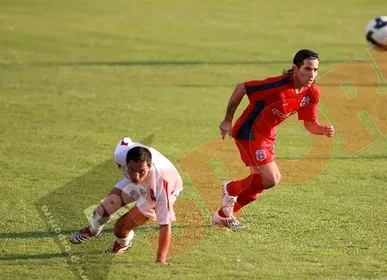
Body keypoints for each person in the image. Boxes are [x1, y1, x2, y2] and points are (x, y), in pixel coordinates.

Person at [213, 49, 334, 230]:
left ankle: (222, 215)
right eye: (307, 69)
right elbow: (242, 87)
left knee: (256, 188)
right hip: (249, 133)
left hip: (267, 136)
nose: (312, 74)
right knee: (271, 178)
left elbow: (310, 124)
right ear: (295, 68)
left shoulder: (312, 92)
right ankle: (230, 188)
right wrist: (227, 120)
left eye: (315, 70)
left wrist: (322, 130)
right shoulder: (276, 86)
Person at [69, 137, 183, 263]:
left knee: (120, 230)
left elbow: (165, 225)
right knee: (102, 210)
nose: (135, 176)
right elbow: (125, 141)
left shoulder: (161, 186)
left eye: (141, 171)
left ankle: (124, 243)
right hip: (146, 180)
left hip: (154, 192)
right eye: (131, 170)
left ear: (149, 166)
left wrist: (160, 260)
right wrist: (137, 172)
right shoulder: (122, 155)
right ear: (126, 162)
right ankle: (93, 231)